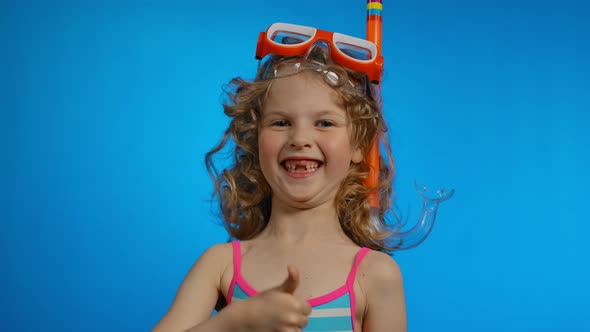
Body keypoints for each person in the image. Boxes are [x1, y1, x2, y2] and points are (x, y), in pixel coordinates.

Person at [153, 22, 406, 332]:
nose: (300, 138)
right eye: (281, 122)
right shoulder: (220, 265)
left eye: (325, 123)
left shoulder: (376, 275)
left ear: (358, 145)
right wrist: (235, 323)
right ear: (255, 139)